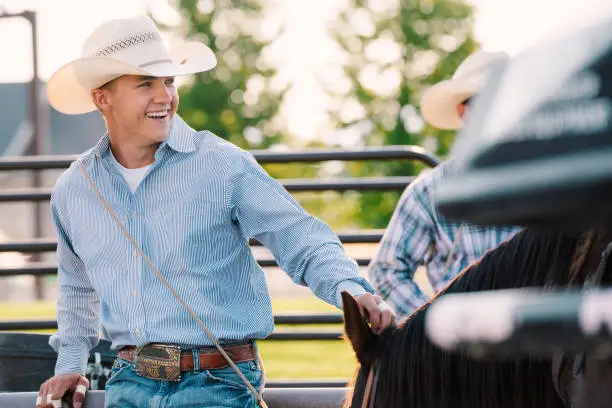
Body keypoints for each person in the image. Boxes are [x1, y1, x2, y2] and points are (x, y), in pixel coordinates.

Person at [35, 15, 394, 408]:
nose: (164, 97)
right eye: (145, 84)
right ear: (102, 98)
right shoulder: (75, 189)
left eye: (168, 81)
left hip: (218, 382)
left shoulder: (223, 165)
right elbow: (77, 286)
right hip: (129, 383)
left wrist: (351, 289)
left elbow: (298, 236)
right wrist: (70, 365)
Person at [368, 50, 522, 320]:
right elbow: (387, 271)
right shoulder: (428, 193)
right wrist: (435, 321)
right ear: (465, 113)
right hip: (462, 344)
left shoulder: (545, 182)